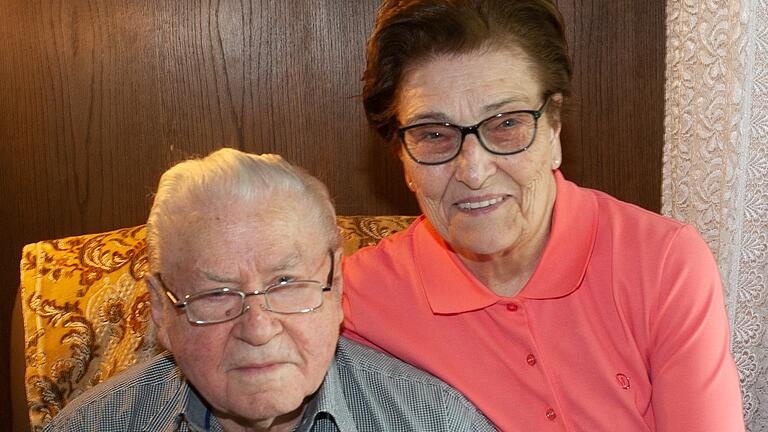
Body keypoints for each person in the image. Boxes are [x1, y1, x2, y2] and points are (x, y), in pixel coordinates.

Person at [341, 1, 745, 431]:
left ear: (553, 131)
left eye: (506, 124)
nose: (474, 172)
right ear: (403, 159)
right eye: (434, 135)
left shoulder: (661, 260)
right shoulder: (356, 297)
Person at [43, 148, 496, 432]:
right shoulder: (91, 425)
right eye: (217, 294)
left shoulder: (435, 420)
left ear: (335, 285)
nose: (258, 330)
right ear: (163, 312)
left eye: (286, 284)